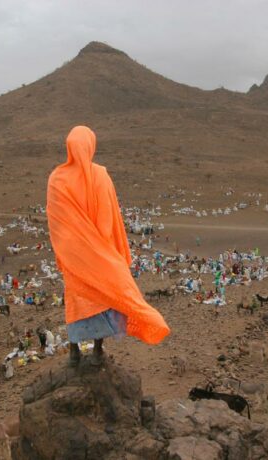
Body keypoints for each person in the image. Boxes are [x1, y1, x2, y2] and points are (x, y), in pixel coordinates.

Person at [46, 126, 170, 366]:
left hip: (73, 255)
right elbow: (108, 219)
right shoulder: (100, 176)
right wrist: (101, 250)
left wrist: (73, 247)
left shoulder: (56, 179)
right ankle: (97, 351)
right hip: (99, 252)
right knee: (105, 296)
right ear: (91, 146)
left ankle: (74, 352)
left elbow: (57, 223)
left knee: (77, 298)